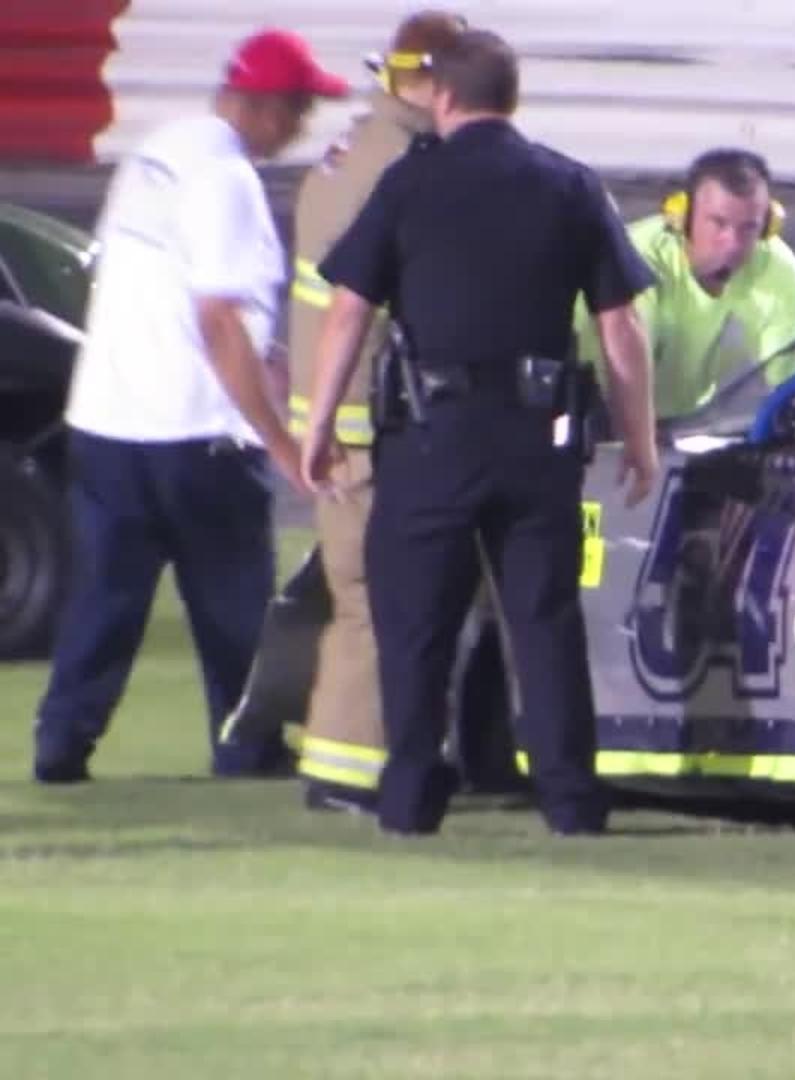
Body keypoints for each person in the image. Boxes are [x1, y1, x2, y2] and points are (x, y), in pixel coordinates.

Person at [300, 27, 660, 837]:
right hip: (538, 437)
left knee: (416, 626)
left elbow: (348, 312)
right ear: (511, 99)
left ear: (444, 96)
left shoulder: (408, 184)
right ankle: (570, 801)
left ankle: (412, 799)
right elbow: (620, 328)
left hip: (430, 439)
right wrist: (640, 439)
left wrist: (319, 426)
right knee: (544, 621)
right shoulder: (569, 186)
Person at [30, 28, 350, 785]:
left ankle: (62, 742)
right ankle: (248, 745)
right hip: (194, 431)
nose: (304, 125)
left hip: (108, 419)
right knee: (234, 606)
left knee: (103, 601)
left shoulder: (158, 152)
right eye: (301, 109)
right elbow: (217, 322)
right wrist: (276, 440)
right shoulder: (227, 181)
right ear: (267, 107)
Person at [283, 9, 468, 815]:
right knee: (375, 598)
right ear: (428, 83)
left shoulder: (351, 149)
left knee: (359, 593)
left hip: (326, 409)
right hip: (362, 419)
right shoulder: (406, 165)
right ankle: (347, 772)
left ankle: (347, 759)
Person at [574, 147, 795, 418]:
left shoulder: (778, 271)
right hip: (600, 413)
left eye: (749, 227)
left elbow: (788, 378)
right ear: (682, 217)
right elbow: (622, 378)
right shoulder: (635, 259)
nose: (732, 244)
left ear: (768, 226)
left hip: (687, 421)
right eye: (718, 223)